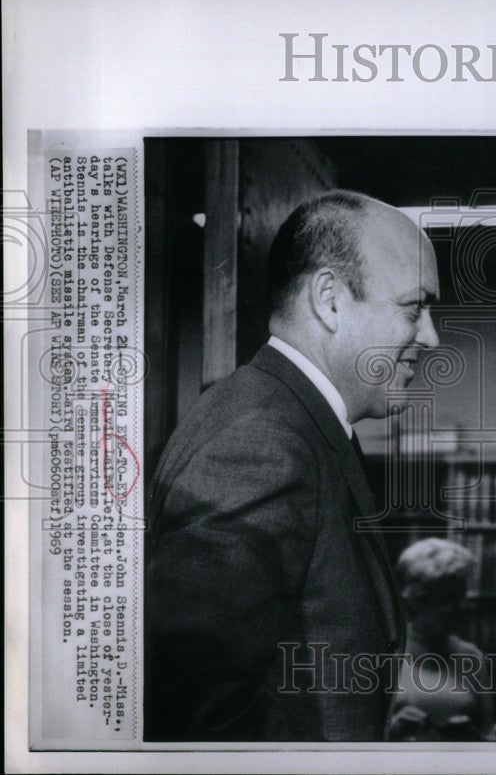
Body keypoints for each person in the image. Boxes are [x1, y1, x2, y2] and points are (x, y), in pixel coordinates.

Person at [144, 191, 440, 741]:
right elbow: (201, 712)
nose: (431, 336)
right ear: (329, 300)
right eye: (414, 307)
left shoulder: (296, 422)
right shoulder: (262, 441)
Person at [387, 537, 496, 741]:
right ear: (416, 600)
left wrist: (489, 739)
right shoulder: (387, 654)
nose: (460, 607)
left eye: (462, 597)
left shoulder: (472, 657)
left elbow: (487, 733)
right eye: (448, 599)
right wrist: (391, 731)